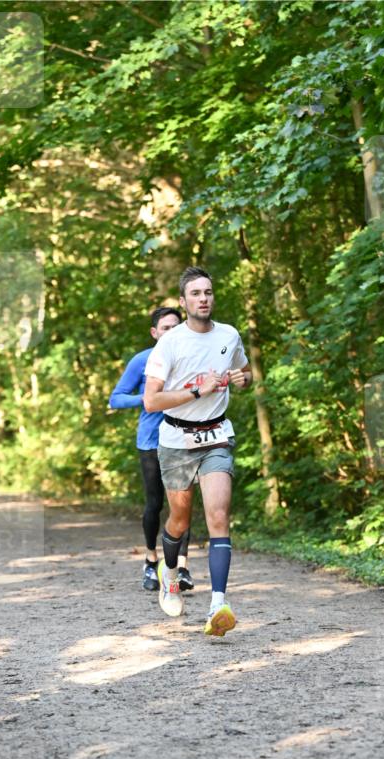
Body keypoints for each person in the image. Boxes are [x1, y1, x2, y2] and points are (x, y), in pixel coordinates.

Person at [144, 266, 253, 637]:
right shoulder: (170, 343)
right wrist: (197, 391)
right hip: (176, 441)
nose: (203, 298)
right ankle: (169, 574)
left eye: (208, 292)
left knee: (219, 516)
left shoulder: (229, 335)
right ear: (183, 301)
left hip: (217, 435)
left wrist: (243, 377)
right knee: (180, 520)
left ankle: (218, 603)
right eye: (195, 294)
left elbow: (245, 370)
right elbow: (151, 401)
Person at [108, 307, 193, 592]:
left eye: (176, 327)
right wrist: (147, 399)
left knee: (182, 505)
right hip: (151, 442)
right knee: (155, 504)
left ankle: (182, 568)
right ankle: (150, 560)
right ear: (155, 333)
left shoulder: (191, 358)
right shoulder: (142, 360)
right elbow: (116, 398)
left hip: (185, 438)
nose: (172, 332)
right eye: (165, 328)